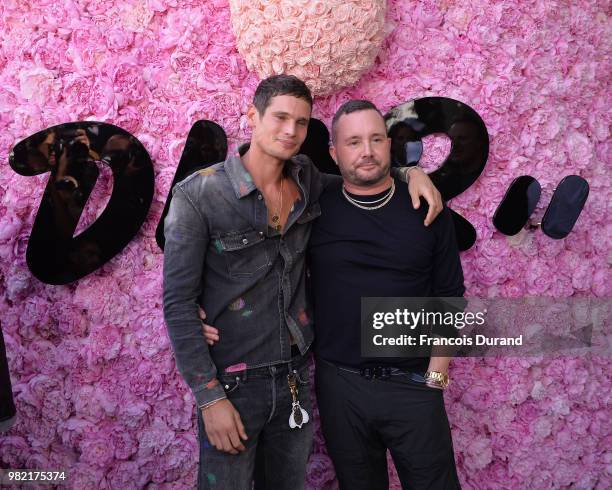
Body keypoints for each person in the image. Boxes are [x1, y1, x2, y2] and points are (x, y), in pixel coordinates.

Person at [163, 77, 443, 490]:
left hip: (295, 379)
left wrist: (409, 172)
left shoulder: (307, 179)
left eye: (301, 122)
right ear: (253, 116)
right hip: (233, 383)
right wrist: (210, 397)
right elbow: (178, 302)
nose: (291, 131)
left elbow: (361, 177)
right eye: (279, 118)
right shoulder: (199, 194)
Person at [310, 100, 464, 489]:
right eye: (354, 141)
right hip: (340, 386)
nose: (367, 151)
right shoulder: (313, 207)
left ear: (389, 144)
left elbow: (449, 295)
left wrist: (436, 377)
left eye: (376, 139)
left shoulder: (426, 207)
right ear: (334, 152)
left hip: (413, 384)